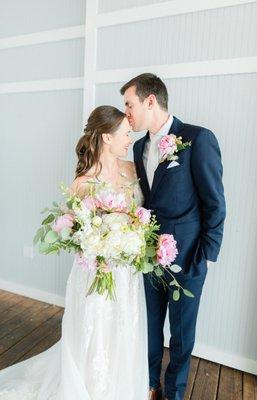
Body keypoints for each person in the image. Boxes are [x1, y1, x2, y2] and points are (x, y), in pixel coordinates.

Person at [0, 106, 149, 400]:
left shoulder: (132, 170)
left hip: (127, 271)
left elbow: (141, 214)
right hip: (96, 271)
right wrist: (100, 244)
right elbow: (75, 232)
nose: (130, 138)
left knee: (124, 330)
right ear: (107, 137)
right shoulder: (82, 184)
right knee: (97, 332)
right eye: (125, 133)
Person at [120, 73, 226, 400]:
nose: (127, 113)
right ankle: (150, 385)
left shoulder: (197, 139)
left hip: (188, 258)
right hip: (149, 257)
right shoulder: (139, 148)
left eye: (129, 104)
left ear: (150, 101)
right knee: (151, 327)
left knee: (180, 335)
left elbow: (215, 202)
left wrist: (205, 255)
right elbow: (148, 201)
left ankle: (174, 393)